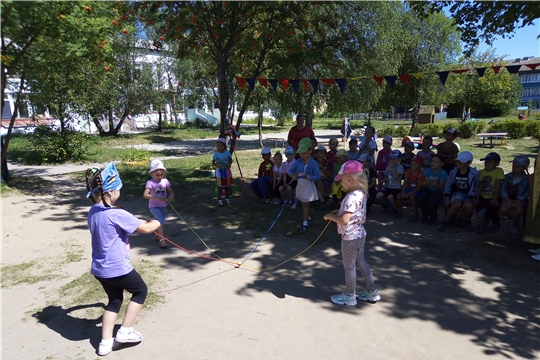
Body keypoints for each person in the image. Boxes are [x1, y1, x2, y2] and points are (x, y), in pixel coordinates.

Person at [85, 163, 161, 356]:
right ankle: (124, 332)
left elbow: (118, 222)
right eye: (118, 190)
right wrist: (157, 222)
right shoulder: (117, 213)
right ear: (110, 192)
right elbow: (145, 229)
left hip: (100, 269)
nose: (119, 193)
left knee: (114, 300)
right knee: (140, 291)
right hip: (117, 268)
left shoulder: (93, 211)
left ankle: (105, 343)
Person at [324, 160, 380, 306]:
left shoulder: (350, 198)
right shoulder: (361, 194)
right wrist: (339, 211)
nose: (340, 183)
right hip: (360, 235)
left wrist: (331, 216)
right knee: (361, 262)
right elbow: (352, 214)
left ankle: (350, 296)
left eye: (341, 180)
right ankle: (372, 291)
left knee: (349, 267)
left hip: (350, 238)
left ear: (350, 180)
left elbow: (343, 220)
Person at [437, 151, 479, 232]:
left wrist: (470, 198)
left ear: (469, 162)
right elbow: (448, 185)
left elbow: (474, 188)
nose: (459, 163)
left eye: (462, 161)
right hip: (457, 194)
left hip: (469, 195)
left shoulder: (474, 174)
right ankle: (444, 222)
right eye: (458, 161)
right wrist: (446, 197)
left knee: (468, 205)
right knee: (457, 203)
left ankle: (467, 222)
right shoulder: (453, 172)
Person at [288, 137, 321, 233]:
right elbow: (290, 170)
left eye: (304, 153)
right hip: (300, 185)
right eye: (301, 153)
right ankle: (308, 217)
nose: (302, 155)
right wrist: (292, 175)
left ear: (310, 151)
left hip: (308, 186)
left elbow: (317, 175)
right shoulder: (298, 162)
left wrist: (310, 177)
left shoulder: (314, 163)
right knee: (304, 204)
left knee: (305, 204)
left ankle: (305, 223)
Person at [143, 160, 175, 248]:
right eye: (157, 175)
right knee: (161, 222)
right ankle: (162, 240)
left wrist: (171, 196)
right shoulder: (150, 183)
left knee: (158, 221)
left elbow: (171, 191)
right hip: (154, 206)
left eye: (162, 175)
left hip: (163, 205)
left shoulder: (165, 181)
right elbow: (145, 195)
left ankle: (157, 235)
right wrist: (156, 198)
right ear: (152, 174)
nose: (160, 177)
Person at [500, 155, 530, 234]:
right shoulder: (507, 177)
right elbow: (502, 189)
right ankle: (514, 220)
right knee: (503, 209)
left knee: (519, 210)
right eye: (513, 166)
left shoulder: (527, 179)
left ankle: (512, 222)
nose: (514, 168)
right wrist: (507, 200)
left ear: (524, 168)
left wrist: (519, 200)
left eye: (518, 167)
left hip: (519, 200)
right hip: (507, 198)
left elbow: (527, 192)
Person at [476, 152, 504, 234]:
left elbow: (498, 185)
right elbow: (479, 186)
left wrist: (495, 198)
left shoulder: (498, 171)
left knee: (492, 208)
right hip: (482, 195)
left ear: (497, 163)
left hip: (493, 196)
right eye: (486, 162)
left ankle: (496, 223)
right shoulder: (481, 172)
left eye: (490, 163)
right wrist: (477, 197)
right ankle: (480, 225)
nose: (487, 164)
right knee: (479, 209)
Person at [417, 154, 448, 225]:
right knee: (421, 198)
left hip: (438, 192)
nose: (433, 163)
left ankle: (433, 216)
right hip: (428, 189)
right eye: (432, 161)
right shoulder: (428, 171)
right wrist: (425, 183)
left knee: (431, 201)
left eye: (436, 162)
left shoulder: (443, 173)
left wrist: (434, 184)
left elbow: (441, 188)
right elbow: (424, 184)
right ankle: (425, 214)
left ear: (442, 164)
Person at [376, 149, 404, 216]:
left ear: (399, 160)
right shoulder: (388, 167)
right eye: (391, 158)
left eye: (394, 159)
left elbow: (396, 176)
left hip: (396, 188)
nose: (392, 160)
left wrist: (393, 168)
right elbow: (386, 176)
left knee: (390, 197)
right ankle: (385, 205)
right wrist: (382, 181)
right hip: (388, 187)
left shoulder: (400, 167)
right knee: (378, 196)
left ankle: (396, 209)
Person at [396, 156, 425, 223]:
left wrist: (409, 194)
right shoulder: (407, 172)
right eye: (411, 164)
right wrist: (403, 192)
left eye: (414, 165)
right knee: (398, 196)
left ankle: (416, 215)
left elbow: (419, 187)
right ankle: (399, 211)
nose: (412, 166)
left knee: (412, 198)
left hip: (417, 190)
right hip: (408, 188)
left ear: (420, 166)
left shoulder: (421, 174)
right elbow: (405, 183)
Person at [212, 138, 233, 206]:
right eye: (218, 145)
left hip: (226, 171)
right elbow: (213, 163)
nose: (220, 147)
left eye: (221, 145)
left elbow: (230, 160)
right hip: (219, 172)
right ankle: (219, 199)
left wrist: (229, 164)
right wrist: (216, 164)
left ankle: (227, 198)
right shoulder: (216, 154)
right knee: (220, 186)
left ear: (224, 146)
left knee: (227, 185)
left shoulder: (227, 153)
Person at [315, 145, 332, 210]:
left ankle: (322, 201)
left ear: (325, 155)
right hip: (316, 181)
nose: (319, 155)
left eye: (321, 153)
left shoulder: (328, 163)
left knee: (319, 182)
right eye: (318, 153)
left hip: (326, 180)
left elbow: (329, 175)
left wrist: (322, 167)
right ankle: (323, 201)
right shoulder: (314, 163)